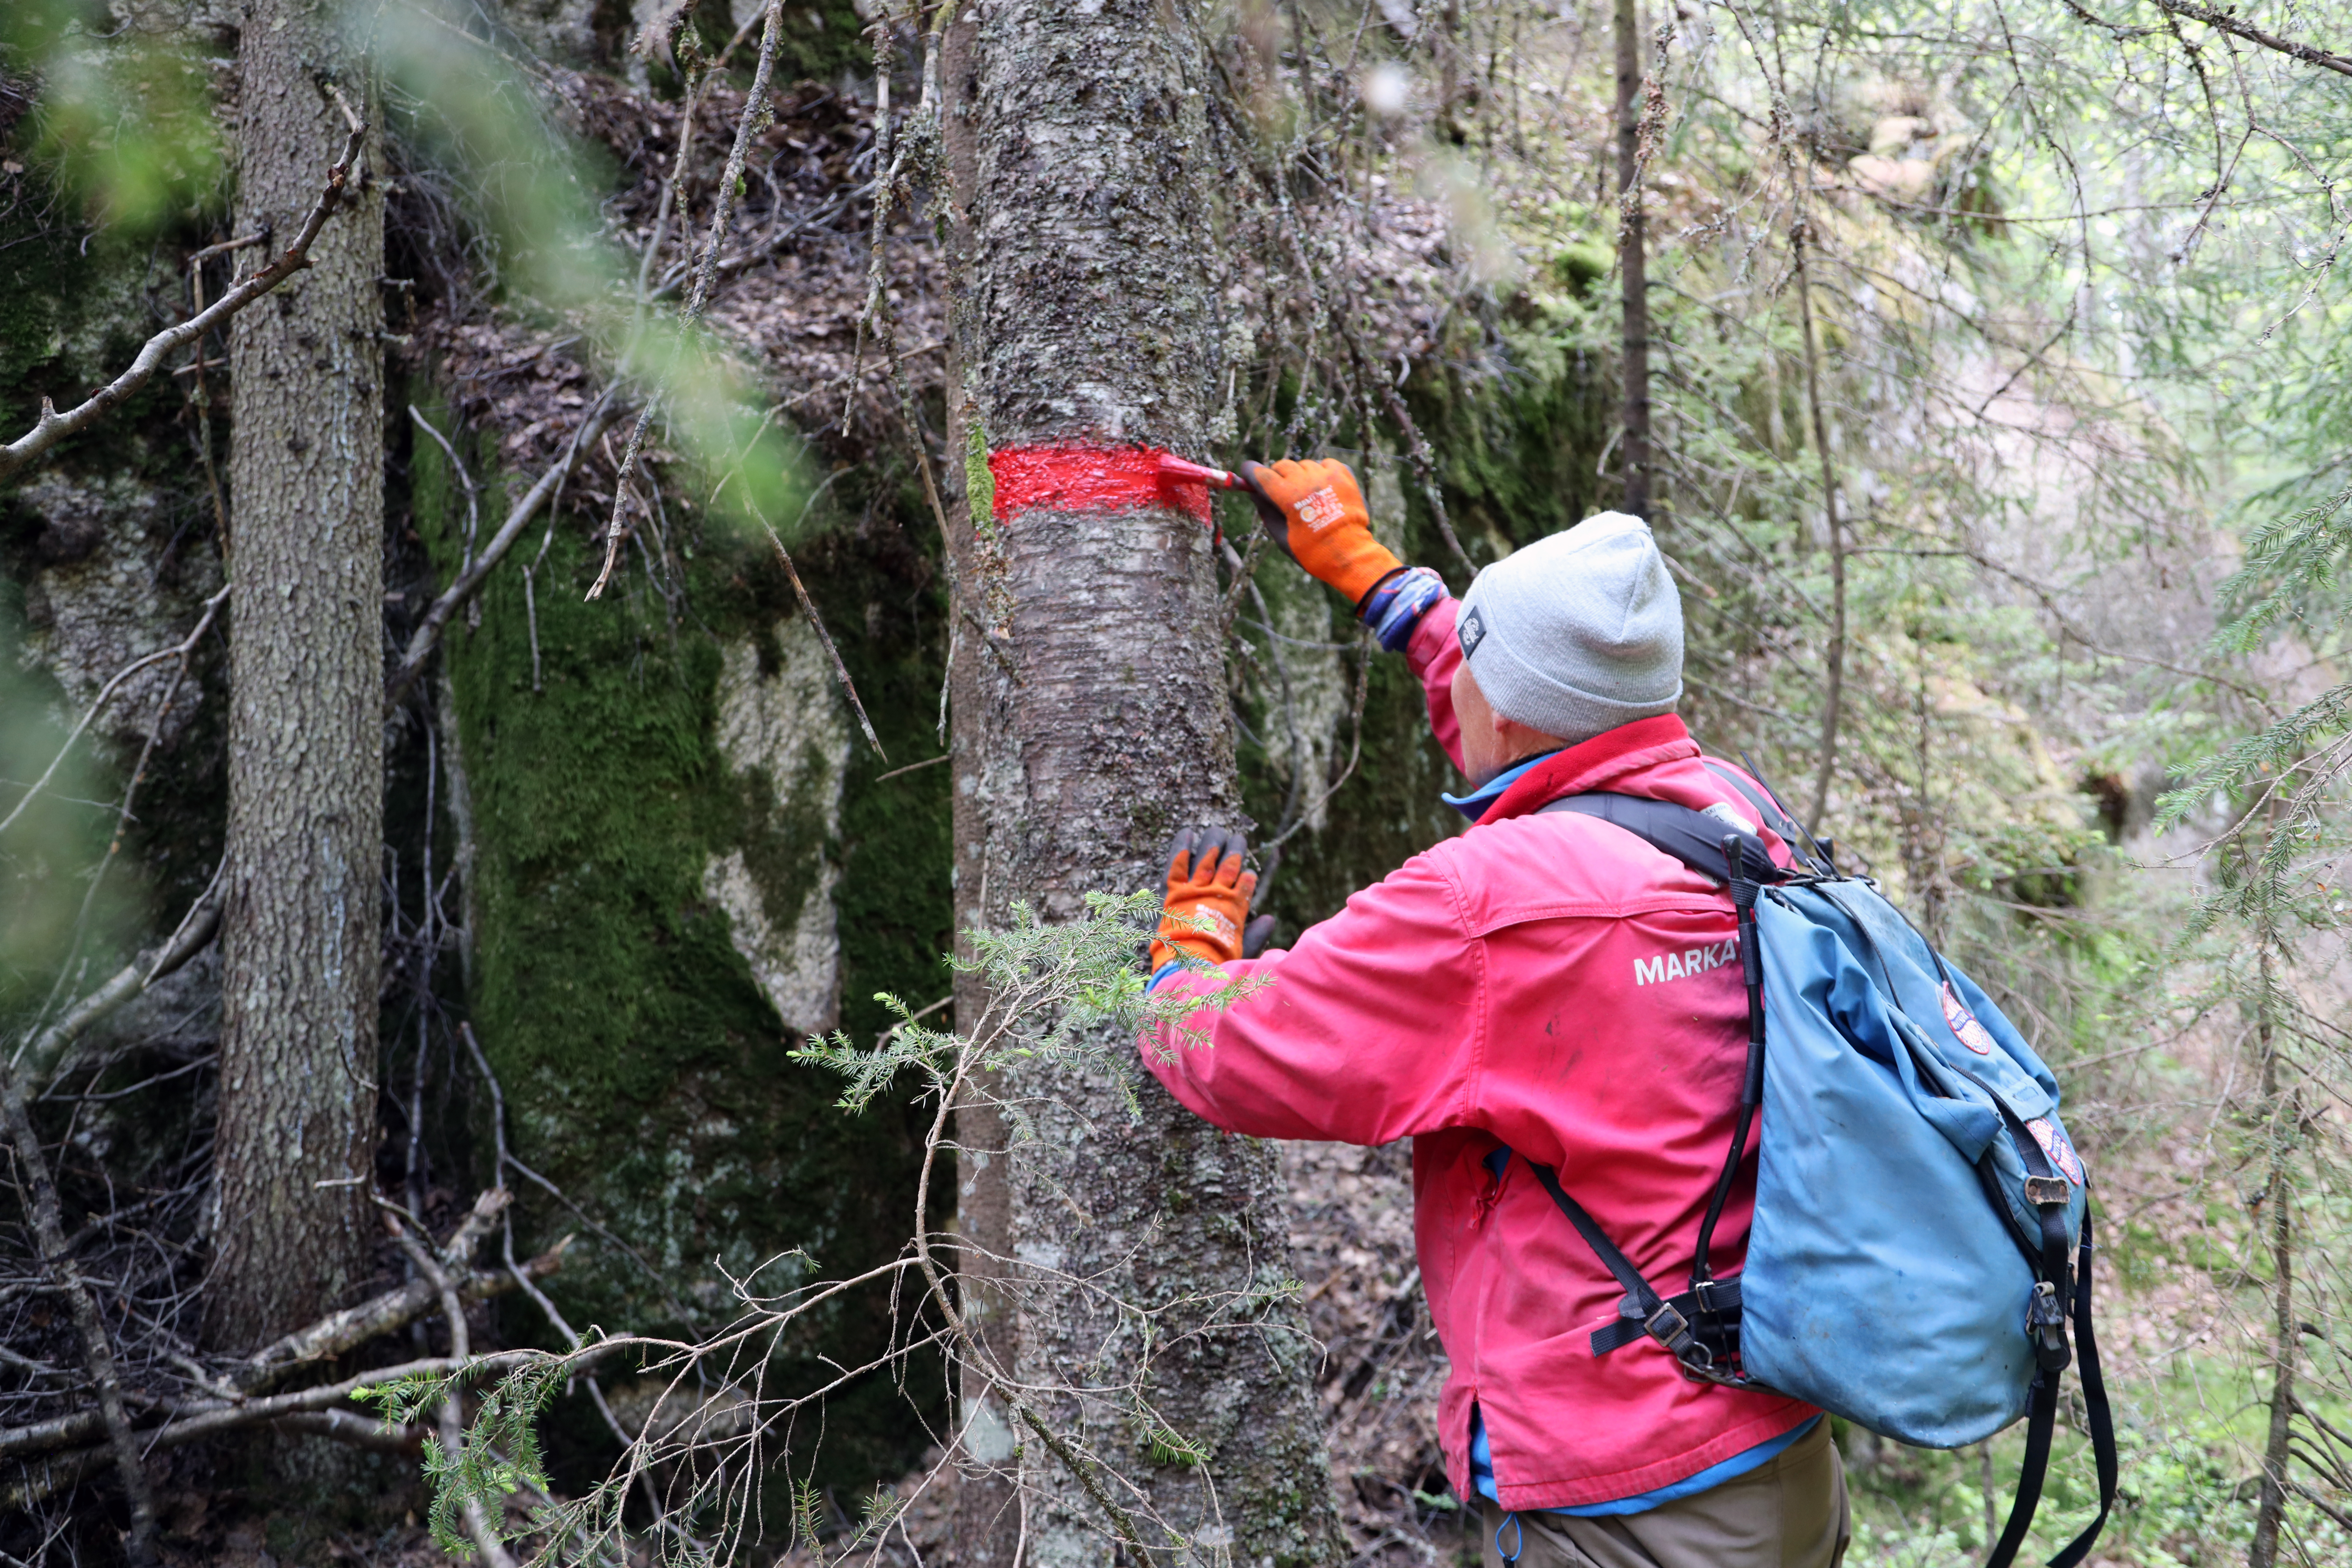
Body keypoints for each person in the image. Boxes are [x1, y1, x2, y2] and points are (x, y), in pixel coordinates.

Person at [1138, 459, 1850, 1568]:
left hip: (1627, 1501)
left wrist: (1184, 956)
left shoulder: (1485, 910)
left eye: (1473, 660)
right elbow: (1548, 752)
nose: (1460, 677)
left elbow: (1236, 1051)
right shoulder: (1731, 814)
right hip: (1778, 1456)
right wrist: (1378, 580)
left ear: (1507, 705)